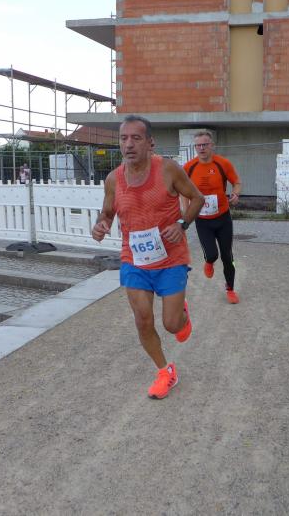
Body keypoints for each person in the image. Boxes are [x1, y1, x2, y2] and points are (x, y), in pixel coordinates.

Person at [92, 115, 204, 399]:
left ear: (150, 143)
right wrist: (101, 224)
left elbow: (197, 198)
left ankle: (181, 315)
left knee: (171, 324)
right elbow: (107, 212)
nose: (129, 144)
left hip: (171, 259)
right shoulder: (113, 180)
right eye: (123, 138)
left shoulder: (168, 170)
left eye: (136, 138)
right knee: (142, 320)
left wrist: (182, 225)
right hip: (134, 260)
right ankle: (165, 371)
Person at [182, 131, 242, 304]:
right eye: (198, 145)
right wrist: (186, 212)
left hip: (223, 218)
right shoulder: (189, 167)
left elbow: (236, 182)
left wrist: (236, 194)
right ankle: (209, 261)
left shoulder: (223, 163)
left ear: (212, 145)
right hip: (202, 220)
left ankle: (230, 289)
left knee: (227, 256)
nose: (201, 148)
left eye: (205, 144)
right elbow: (183, 192)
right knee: (212, 254)